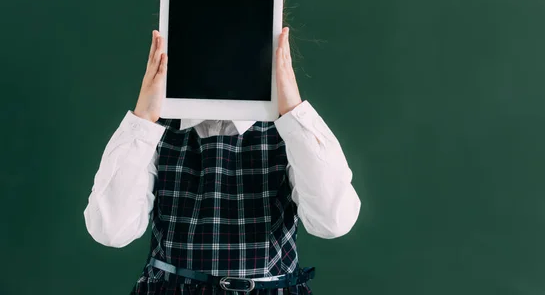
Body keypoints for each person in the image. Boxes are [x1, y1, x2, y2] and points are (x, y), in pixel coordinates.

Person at [83, 27, 361, 294]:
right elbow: (111, 230)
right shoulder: (154, 131)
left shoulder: (290, 132)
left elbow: (332, 221)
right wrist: (143, 118)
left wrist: (294, 111)